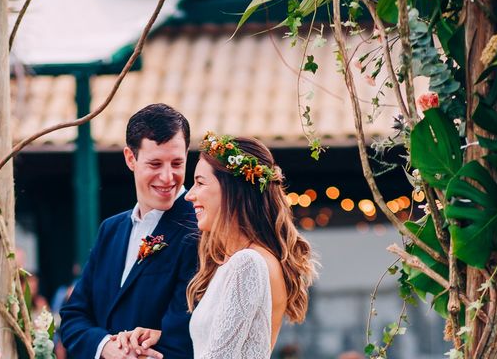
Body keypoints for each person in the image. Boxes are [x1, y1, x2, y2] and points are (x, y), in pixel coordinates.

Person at [120, 133, 316, 358]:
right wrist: (162, 339)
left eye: (200, 183)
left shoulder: (248, 263)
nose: (189, 195)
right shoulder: (240, 261)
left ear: (232, 191)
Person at [60, 103, 197, 359]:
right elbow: (73, 316)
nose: (168, 177)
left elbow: (188, 332)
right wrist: (105, 348)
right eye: (155, 164)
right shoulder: (110, 230)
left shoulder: (199, 229)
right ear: (130, 158)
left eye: (177, 163)